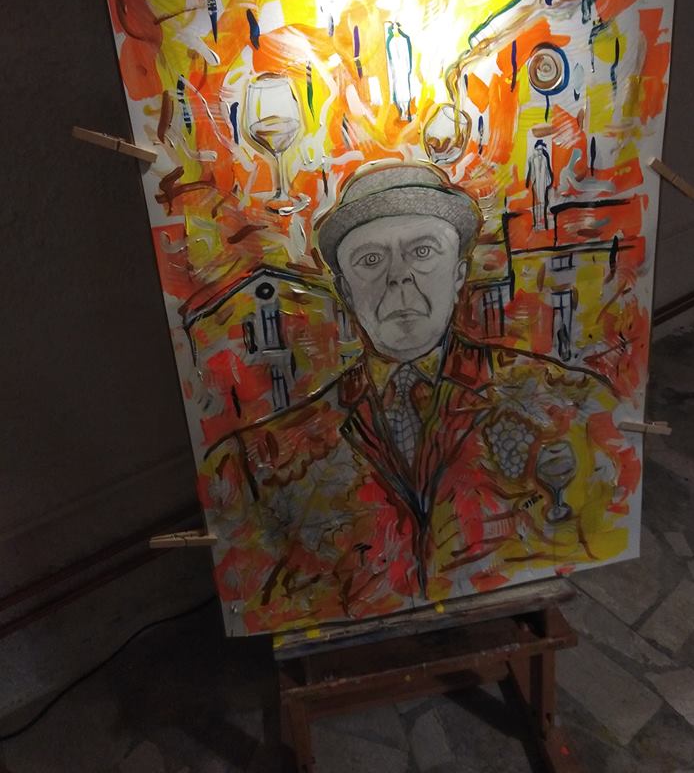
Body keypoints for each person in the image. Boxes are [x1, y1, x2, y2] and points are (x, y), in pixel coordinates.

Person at [202, 163, 622, 634]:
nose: (399, 277)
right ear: (345, 290)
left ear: (459, 273)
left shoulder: (565, 400)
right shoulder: (262, 462)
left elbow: (600, 522)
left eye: (423, 251)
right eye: (370, 260)